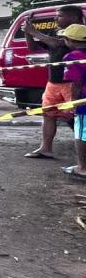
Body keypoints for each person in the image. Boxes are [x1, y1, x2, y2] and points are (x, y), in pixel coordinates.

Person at [24, 5, 85, 159]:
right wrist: (28, 33)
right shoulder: (56, 33)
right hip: (53, 82)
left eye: (60, 16)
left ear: (74, 18)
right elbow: (33, 47)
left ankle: (82, 155)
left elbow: (59, 44)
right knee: (48, 114)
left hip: (71, 82)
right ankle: (46, 148)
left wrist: (35, 32)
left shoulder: (79, 33)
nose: (55, 18)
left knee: (75, 116)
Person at [57, 24, 86, 181]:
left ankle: (82, 168)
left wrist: (74, 103)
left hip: (84, 102)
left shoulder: (73, 57)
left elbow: (77, 82)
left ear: (69, 40)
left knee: (82, 134)